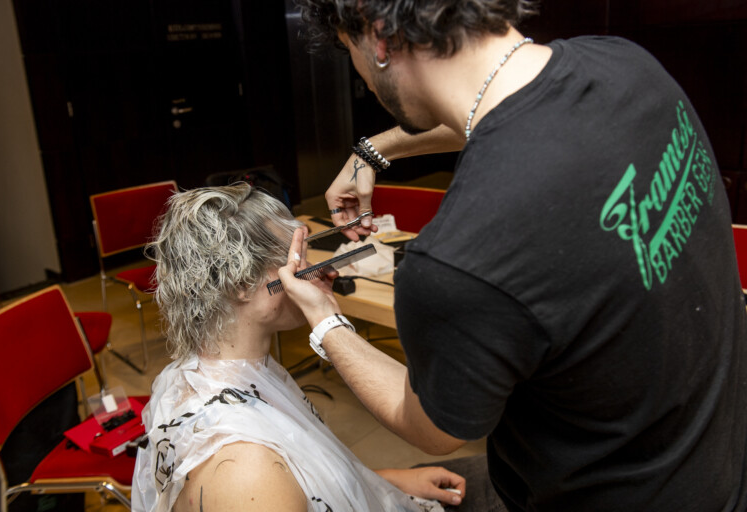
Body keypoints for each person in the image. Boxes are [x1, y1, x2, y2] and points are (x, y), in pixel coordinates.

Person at [279, 1, 747, 510]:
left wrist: (324, 318)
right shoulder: (626, 66)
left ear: (379, 38)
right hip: (716, 462)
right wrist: (371, 152)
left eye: (349, 51)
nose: (363, 77)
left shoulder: (459, 259)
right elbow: (490, 111)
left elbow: (431, 428)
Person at [131, 184, 488, 512]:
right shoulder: (246, 471)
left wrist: (387, 481)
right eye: (294, 258)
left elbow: (307, 478)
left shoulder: (190, 375)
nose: (310, 269)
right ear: (240, 282)